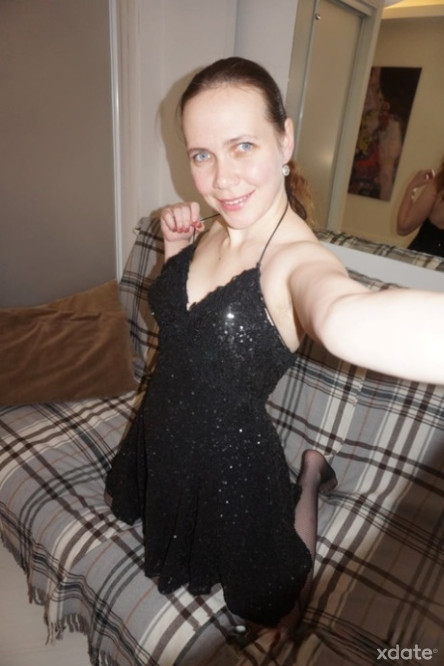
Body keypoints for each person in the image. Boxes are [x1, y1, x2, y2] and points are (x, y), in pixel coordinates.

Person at [106, 57, 444, 639]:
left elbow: (343, 316)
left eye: (242, 146)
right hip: (160, 431)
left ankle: (309, 476)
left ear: (285, 139)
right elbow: (183, 329)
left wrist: (348, 319)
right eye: (202, 155)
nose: (222, 179)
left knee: (274, 602)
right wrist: (174, 250)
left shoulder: (296, 260)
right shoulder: (215, 224)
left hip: (230, 462)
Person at [397, 160, 444, 256]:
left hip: (419, 259)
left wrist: (412, 187)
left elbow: (403, 227)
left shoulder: (439, 185)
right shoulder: (438, 185)